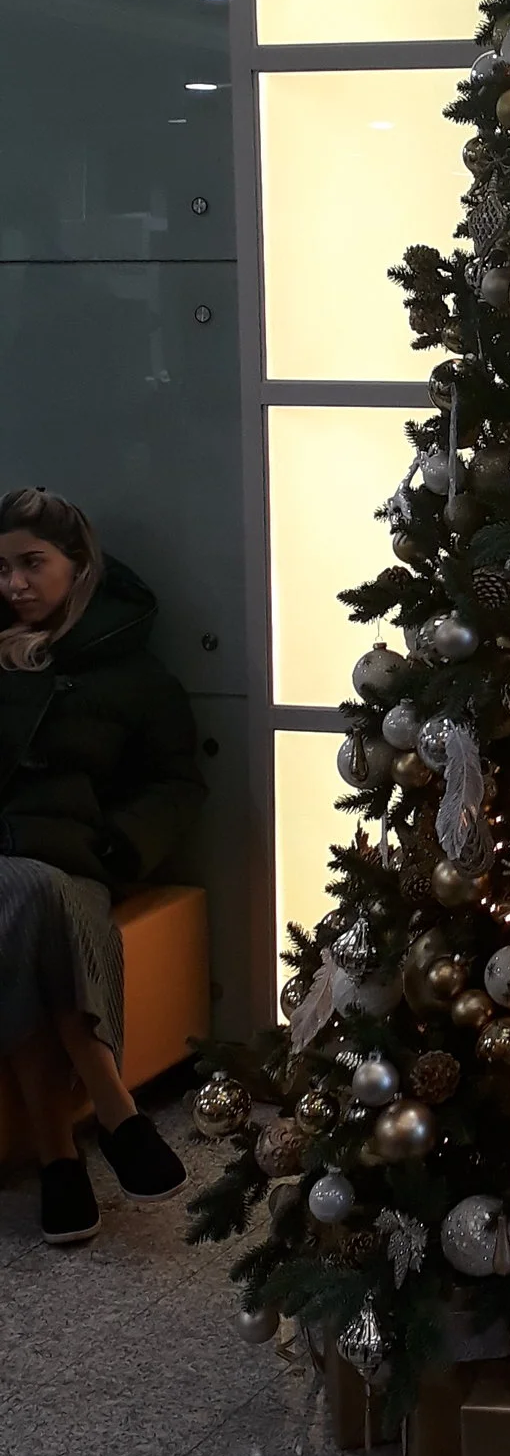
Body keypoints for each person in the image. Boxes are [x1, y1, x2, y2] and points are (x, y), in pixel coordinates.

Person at [0, 488, 204, 1245]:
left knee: (43, 903)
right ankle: (115, 1113)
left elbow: (178, 783)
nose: (14, 584)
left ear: (79, 565)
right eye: (1, 569)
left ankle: (60, 1159)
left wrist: (120, 845)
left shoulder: (134, 672)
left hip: (75, 862)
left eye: (31, 563)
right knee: (31, 894)